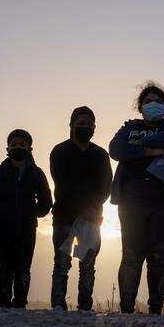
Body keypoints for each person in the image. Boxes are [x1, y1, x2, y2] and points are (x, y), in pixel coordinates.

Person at [109, 82, 164, 315]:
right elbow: (116, 149)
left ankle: (156, 309)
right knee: (131, 254)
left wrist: (137, 147)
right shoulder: (128, 129)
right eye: (147, 101)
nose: (152, 104)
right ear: (140, 107)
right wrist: (153, 151)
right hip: (131, 199)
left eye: (157, 101)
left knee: (159, 253)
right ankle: (126, 308)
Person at [49, 106, 113, 311]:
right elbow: (62, 182)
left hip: (92, 219)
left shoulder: (101, 155)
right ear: (71, 126)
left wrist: (91, 209)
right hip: (64, 218)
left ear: (94, 128)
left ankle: (84, 307)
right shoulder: (59, 152)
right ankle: (58, 305)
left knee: (87, 266)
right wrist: (81, 207)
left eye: (88, 124)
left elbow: (106, 187)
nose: (84, 127)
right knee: (61, 264)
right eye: (80, 123)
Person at [0, 129, 52, 308]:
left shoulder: (37, 173)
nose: (18, 147)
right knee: (5, 266)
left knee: (23, 268)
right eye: (14, 144)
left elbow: (46, 201)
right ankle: (3, 302)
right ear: (7, 149)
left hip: (27, 230)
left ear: (30, 148)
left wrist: (33, 213)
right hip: (3, 229)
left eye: (22, 144)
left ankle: (20, 303)